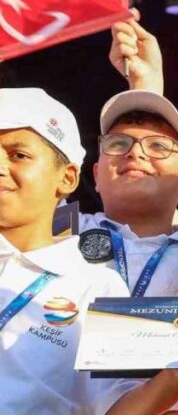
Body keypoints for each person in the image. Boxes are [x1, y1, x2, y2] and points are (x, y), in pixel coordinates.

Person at [0, 88, 137, 413]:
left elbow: (118, 403)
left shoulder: (98, 286)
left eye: (18, 155)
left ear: (67, 177)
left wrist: (177, 378)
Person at [72, 13, 178, 298]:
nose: (134, 153)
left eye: (158, 147)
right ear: (95, 173)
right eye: (118, 144)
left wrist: (147, 88)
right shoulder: (59, 230)